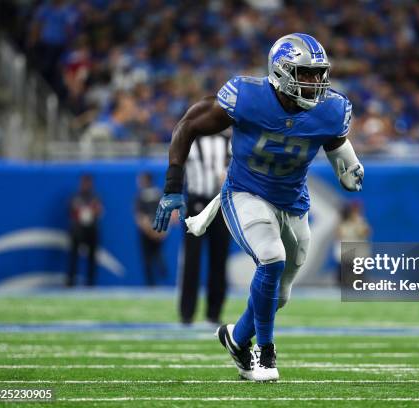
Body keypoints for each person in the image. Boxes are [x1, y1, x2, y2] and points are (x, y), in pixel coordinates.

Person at [152, 33, 363, 381]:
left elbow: (336, 142)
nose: (315, 82)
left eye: (318, 74)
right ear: (280, 72)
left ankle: (236, 338)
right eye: (305, 73)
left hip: (293, 203)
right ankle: (265, 352)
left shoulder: (332, 108)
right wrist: (173, 186)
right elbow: (188, 123)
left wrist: (349, 164)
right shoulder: (247, 97)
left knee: (278, 295)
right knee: (271, 257)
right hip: (245, 193)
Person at [179, 133, 231, 325]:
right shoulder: (191, 140)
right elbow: (177, 167)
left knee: (219, 259)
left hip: (220, 204)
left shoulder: (228, 143)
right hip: (195, 203)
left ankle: (214, 312)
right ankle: (187, 313)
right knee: (191, 260)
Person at [68, 174, 102, 287]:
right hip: (78, 230)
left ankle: (90, 282)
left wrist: (93, 210)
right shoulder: (76, 196)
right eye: (84, 182)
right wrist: (79, 212)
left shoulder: (95, 197)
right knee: (73, 256)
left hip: (91, 229)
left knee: (92, 257)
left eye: (88, 182)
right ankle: (71, 281)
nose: (86, 185)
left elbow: (99, 211)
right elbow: (70, 212)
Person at [135, 172, 167, 286]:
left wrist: (149, 230)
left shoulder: (141, 196)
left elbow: (140, 217)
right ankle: (160, 268)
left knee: (147, 258)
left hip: (147, 231)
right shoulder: (159, 193)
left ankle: (151, 284)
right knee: (157, 254)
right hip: (158, 229)